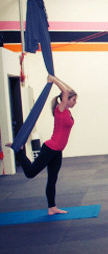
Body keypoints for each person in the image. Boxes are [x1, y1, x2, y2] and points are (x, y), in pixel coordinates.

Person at [6, 74, 77, 215]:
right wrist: (53, 79)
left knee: (52, 179)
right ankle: (19, 151)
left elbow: (68, 90)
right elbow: (66, 91)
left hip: (57, 151)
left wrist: (55, 77)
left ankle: (52, 208)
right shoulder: (60, 109)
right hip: (50, 149)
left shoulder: (67, 111)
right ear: (66, 100)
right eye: (74, 100)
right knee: (31, 173)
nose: (75, 102)